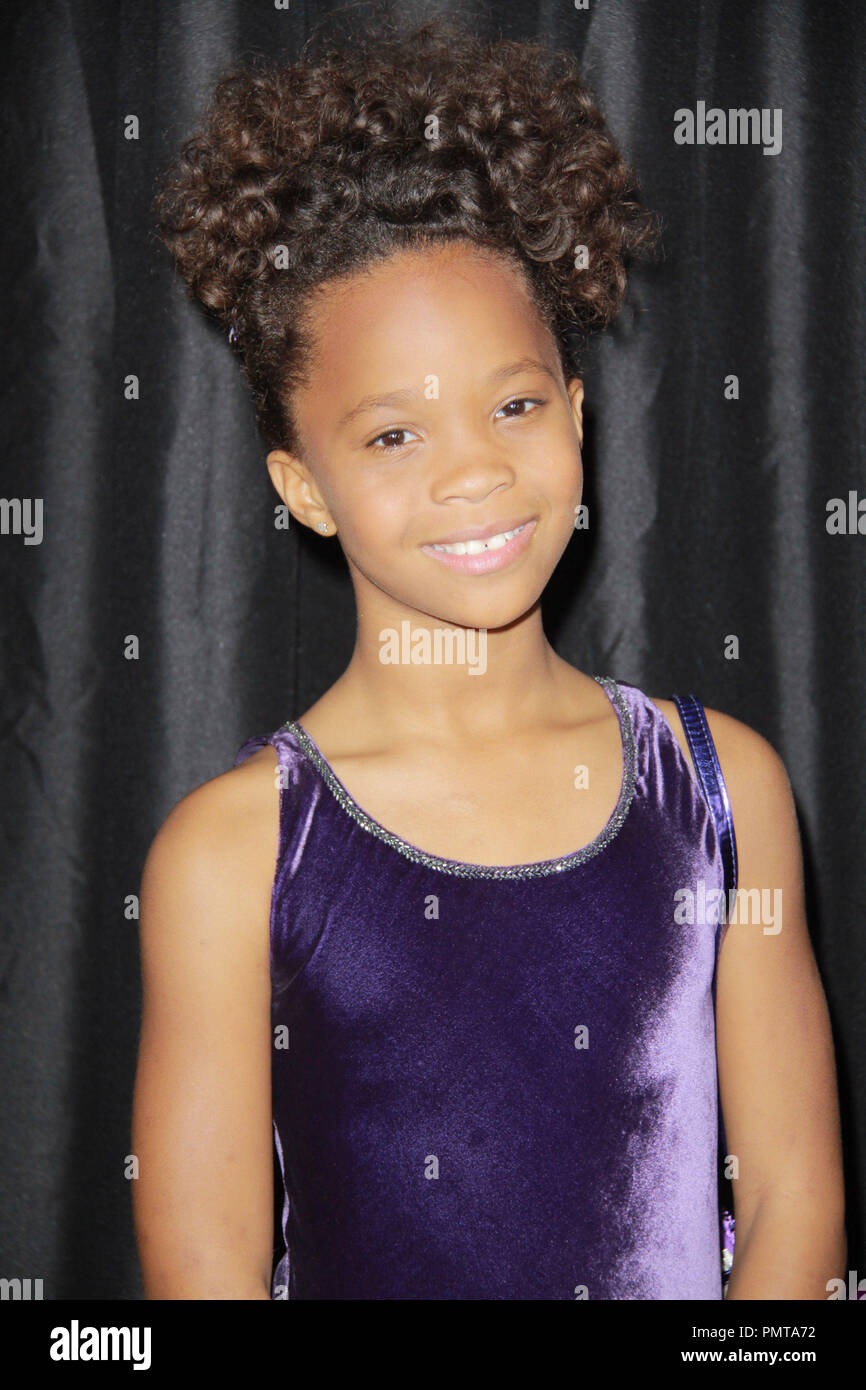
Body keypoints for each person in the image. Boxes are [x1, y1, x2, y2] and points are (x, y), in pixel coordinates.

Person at [132, 15, 845, 1300]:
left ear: (575, 411)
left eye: (512, 404)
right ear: (301, 486)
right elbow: (203, 1278)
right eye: (393, 436)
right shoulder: (229, 853)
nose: (473, 469)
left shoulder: (722, 792)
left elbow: (794, 1206)